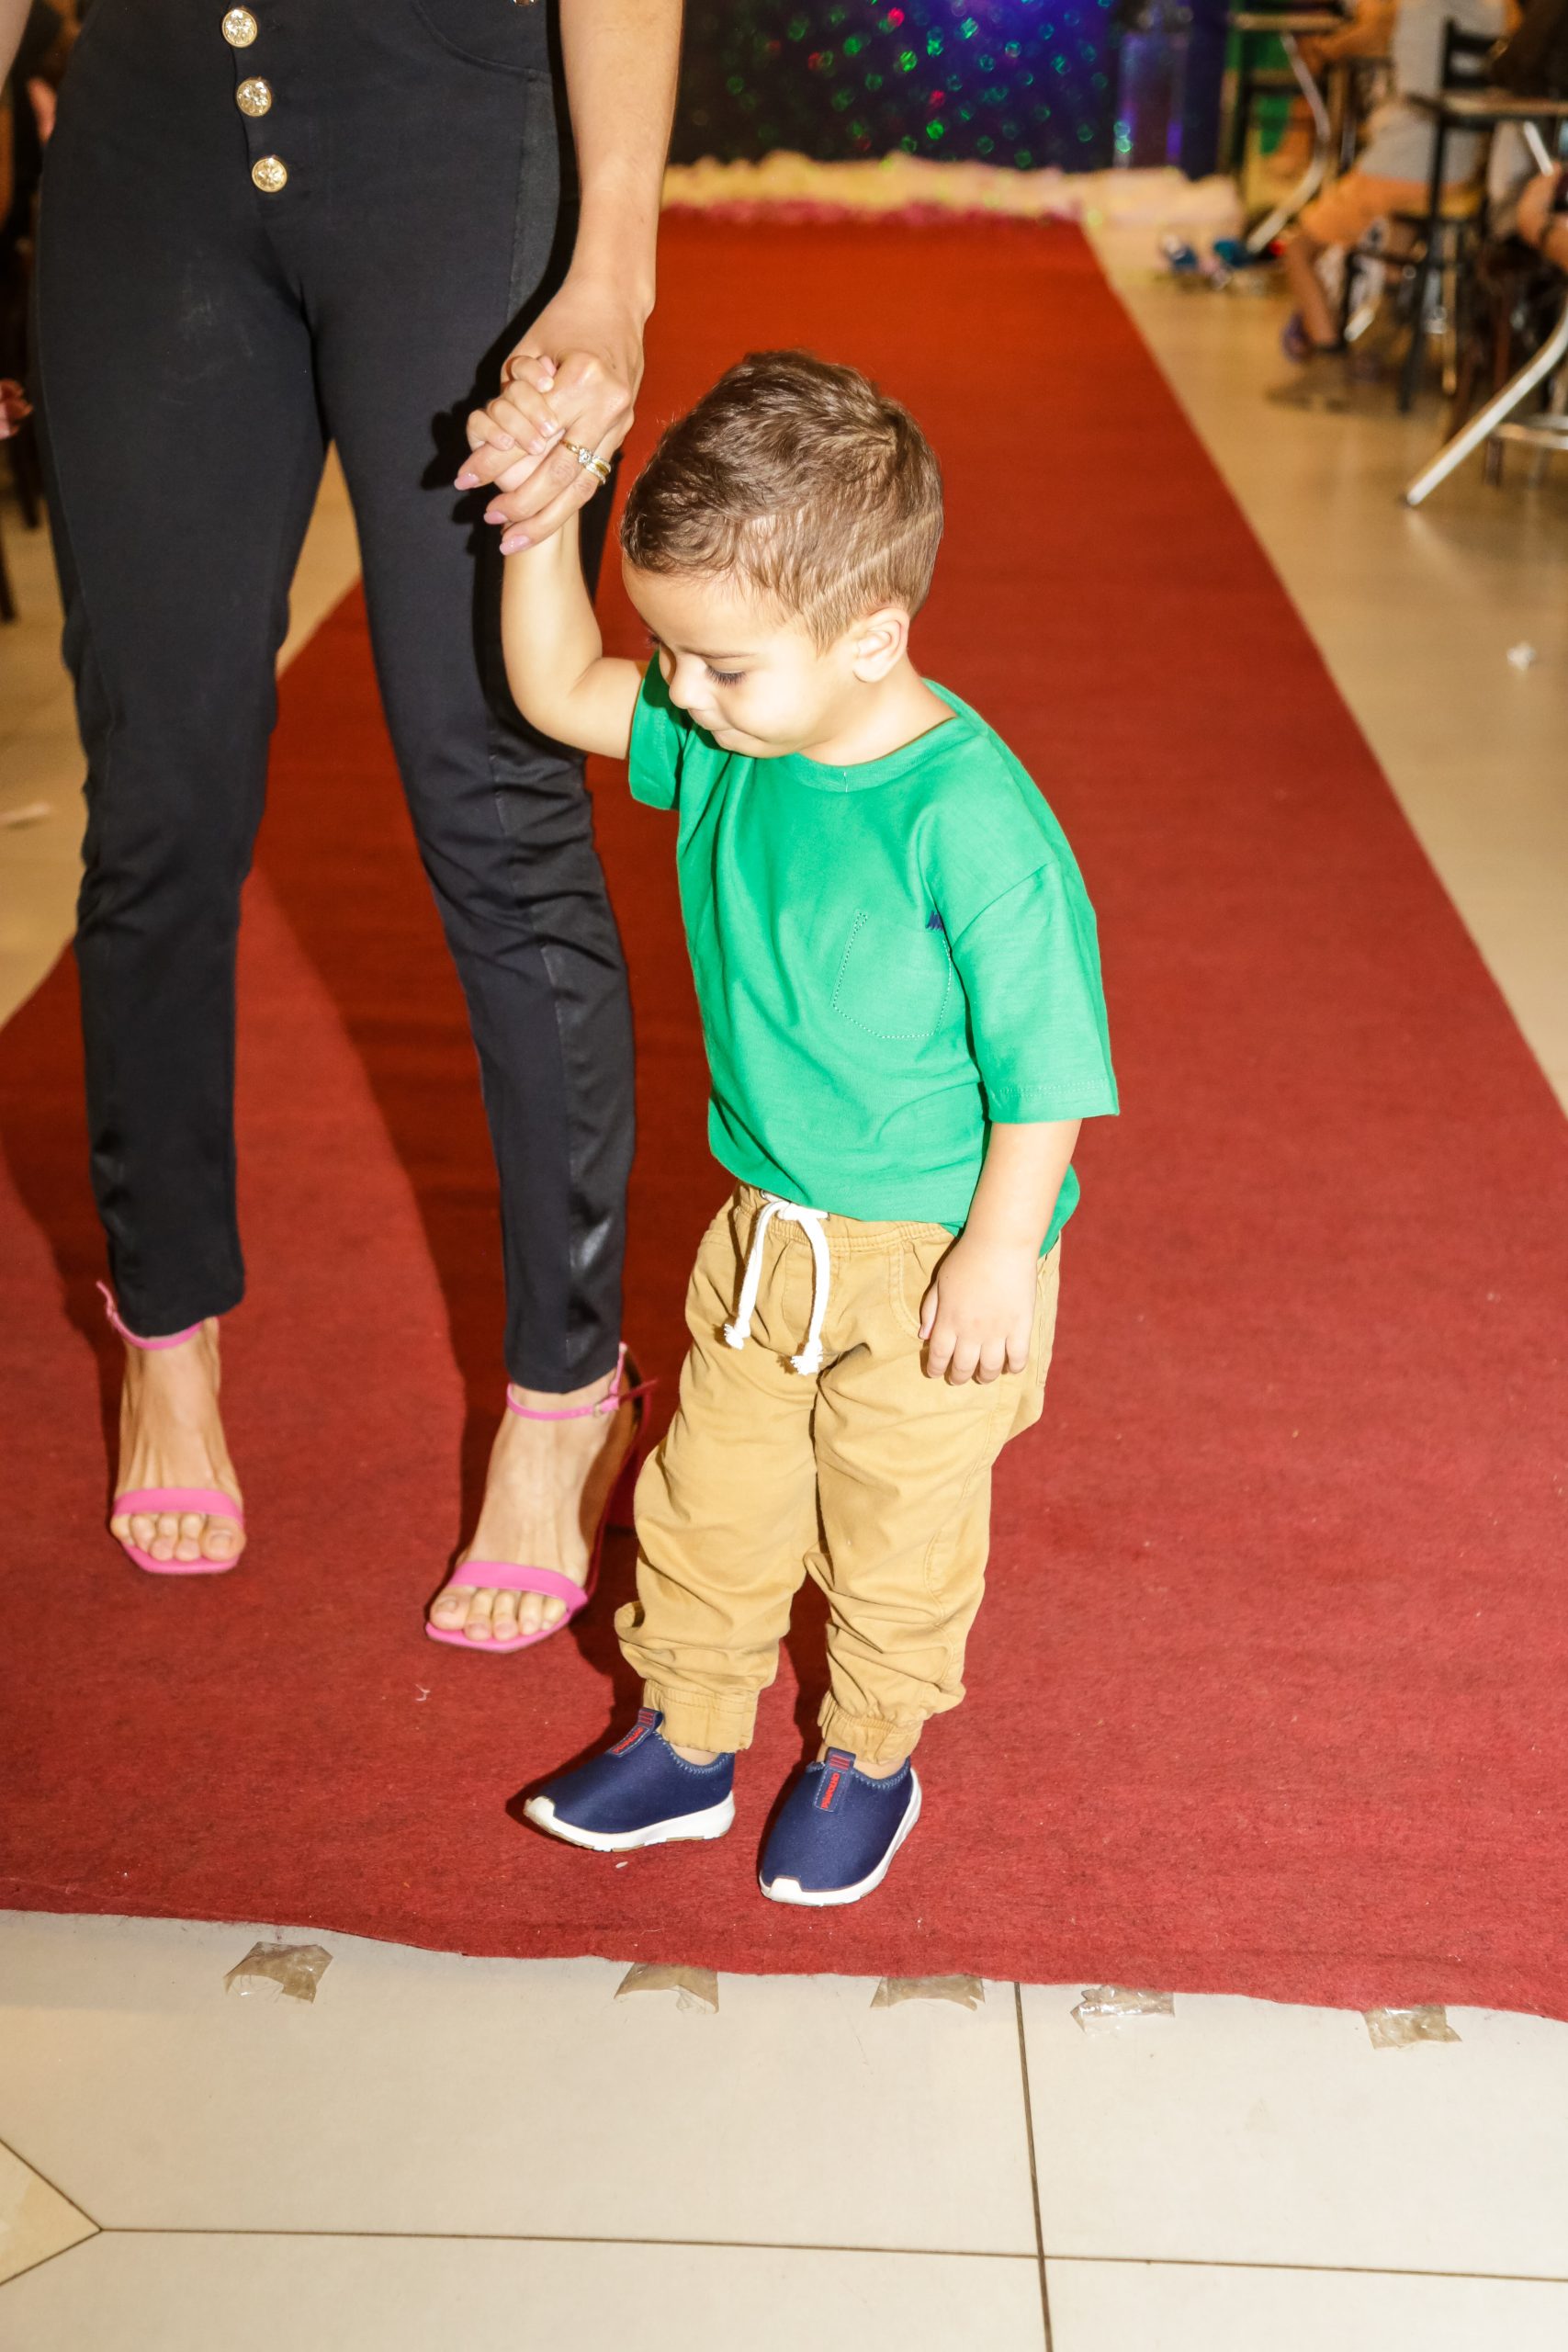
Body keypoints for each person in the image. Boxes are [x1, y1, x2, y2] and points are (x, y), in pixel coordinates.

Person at [19, 0, 681, 1640]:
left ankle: (563, 1389)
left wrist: (612, 261)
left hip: (450, 133)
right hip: (145, 142)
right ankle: (164, 1331)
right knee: (157, 798)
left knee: (496, 783)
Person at [488, 351, 1118, 1905]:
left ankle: (867, 1757)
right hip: (765, 1232)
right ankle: (687, 1738)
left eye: (718, 665)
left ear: (870, 638)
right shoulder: (737, 735)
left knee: (896, 1529)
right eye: (670, 653)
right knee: (708, 1497)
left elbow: (1046, 1069)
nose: (678, 694)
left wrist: (995, 1257)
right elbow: (554, 689)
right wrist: (539, 527)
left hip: (933, 1256)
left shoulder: (970, 822)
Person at [1272, 0, 1504, 401]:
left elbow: (1374, 33)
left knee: (1298, 251)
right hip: (1463, 165)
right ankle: (1389, 315)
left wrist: (1326, 49)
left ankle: (1328, 358)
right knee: (1401, 219)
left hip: (1405, 162)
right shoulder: (1500, 7)